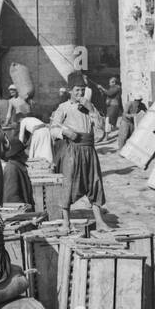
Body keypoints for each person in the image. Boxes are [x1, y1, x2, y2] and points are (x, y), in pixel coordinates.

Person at [56, 89, 110, 228]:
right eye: (77, 90)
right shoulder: (64, 107)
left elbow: (100, 129)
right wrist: (65, 132)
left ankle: (99, 221)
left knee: (95, 182)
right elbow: (53, 127)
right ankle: (66, 221)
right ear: (70, 91)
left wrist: (91, 108)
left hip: (89, 150)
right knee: (69, 183)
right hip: (73, 150)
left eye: (82, 90)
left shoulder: (89, 107)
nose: (80, 93)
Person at [2, 136, 34, 207]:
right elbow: (11, 197)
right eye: (22, 152)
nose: (26, 155)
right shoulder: (11, 169)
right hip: (19, 213)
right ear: (18, 154)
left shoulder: (17, 166)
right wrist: (25, 208)